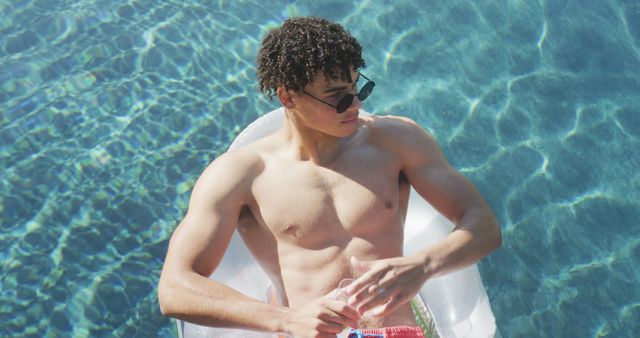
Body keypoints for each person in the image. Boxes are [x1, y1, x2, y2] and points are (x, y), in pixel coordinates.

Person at [158, 16, 501, 338]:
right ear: (287, 95)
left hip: (399, 330)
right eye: (337, 97)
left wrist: (422, 265)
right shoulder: (242, 175)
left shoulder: (396, 143)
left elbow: (484, 225)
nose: (354, 104)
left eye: (358, 88)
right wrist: (286, 320)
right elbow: (174, 288)